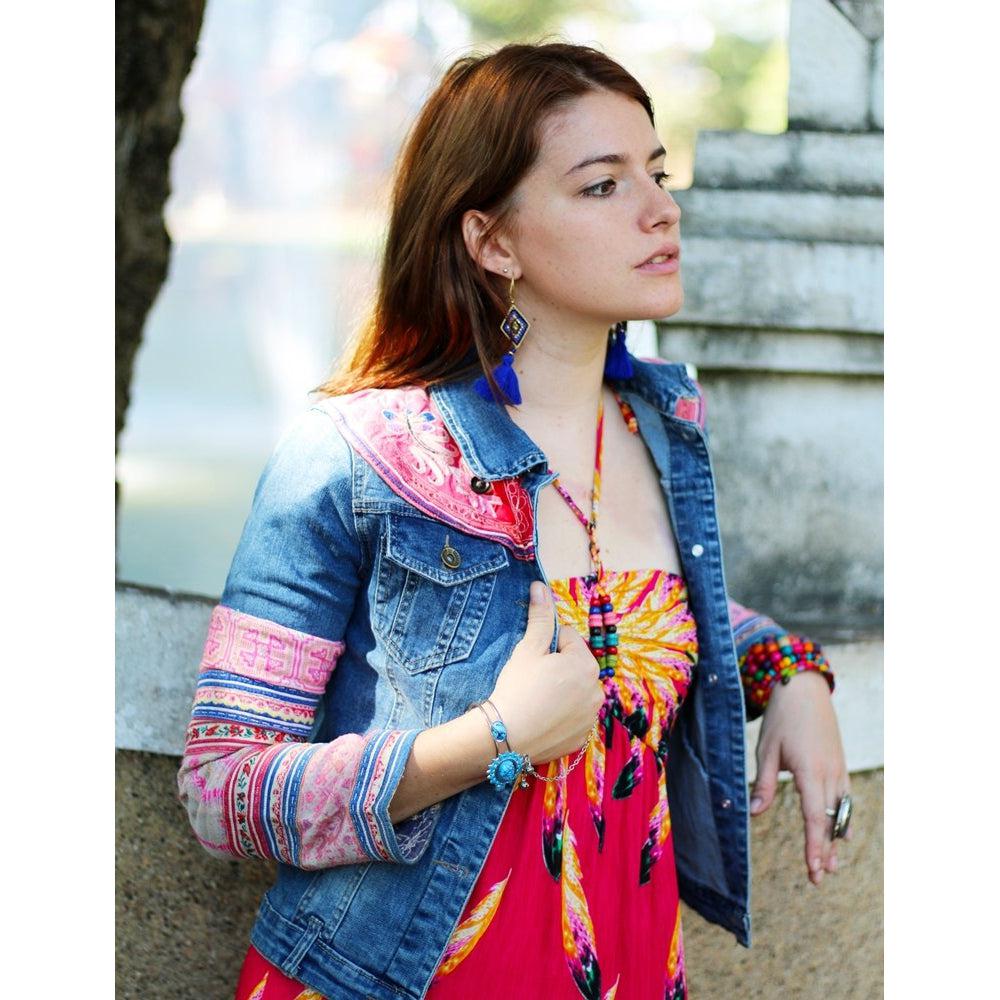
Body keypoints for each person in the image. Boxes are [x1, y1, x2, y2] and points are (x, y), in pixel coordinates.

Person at [177, 41, 852, 1000]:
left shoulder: (660, 432)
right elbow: (222, 788)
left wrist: (791, 671)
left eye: (656, 174)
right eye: (602, 185)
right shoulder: (358, 456)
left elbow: (634, 618)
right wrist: (489, 739)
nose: (661, 210)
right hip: (393, 979)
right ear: (492, 241)